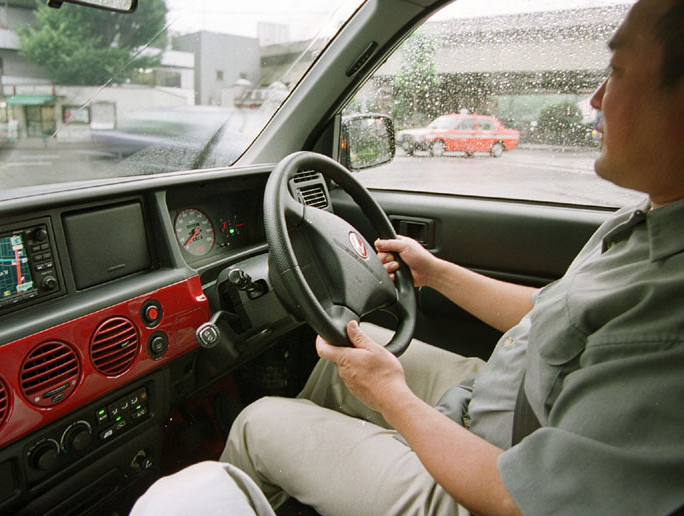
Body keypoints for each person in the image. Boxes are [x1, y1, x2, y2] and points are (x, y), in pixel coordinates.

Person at [131, 0, 684, 514]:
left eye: (615, 71)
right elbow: (550, 313)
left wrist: (392, 397)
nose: (594, 99)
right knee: (334, 365)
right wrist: (435, 273)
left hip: (493, 483)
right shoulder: (642, 222)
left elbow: (524, 500)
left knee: (257, 423)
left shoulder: (669, 307)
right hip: (506, 397)